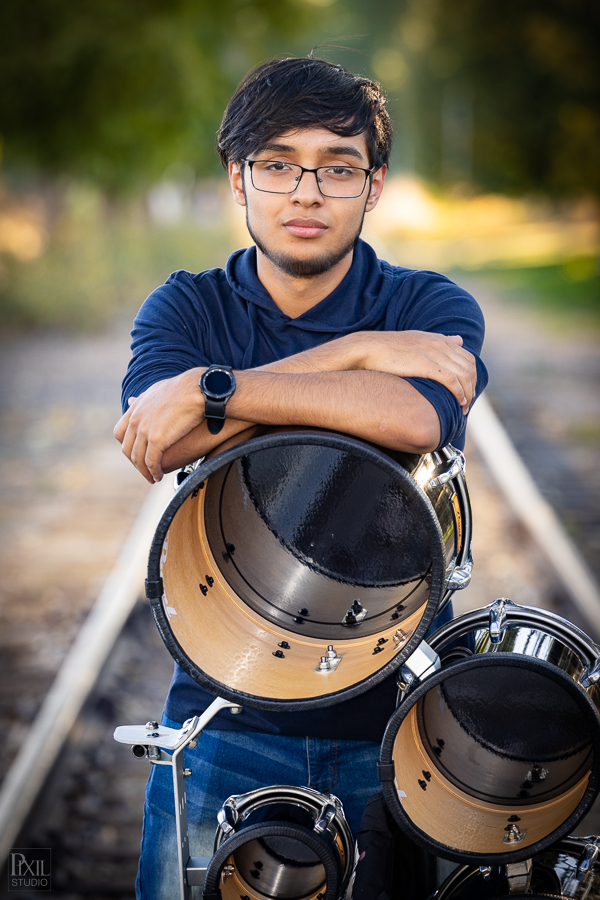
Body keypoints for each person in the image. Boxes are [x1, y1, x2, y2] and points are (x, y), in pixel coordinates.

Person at [115, 55, 488, 898]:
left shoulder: (429, 308)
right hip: (224, 708)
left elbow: (416, 417)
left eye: (337, 168)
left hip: (400, 721)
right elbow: (159, 442)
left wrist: (213, 393)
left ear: (374, 185)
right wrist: (358, 354)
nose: (306, 193)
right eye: (278, 165)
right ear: (238, 181)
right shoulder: (185, 308)